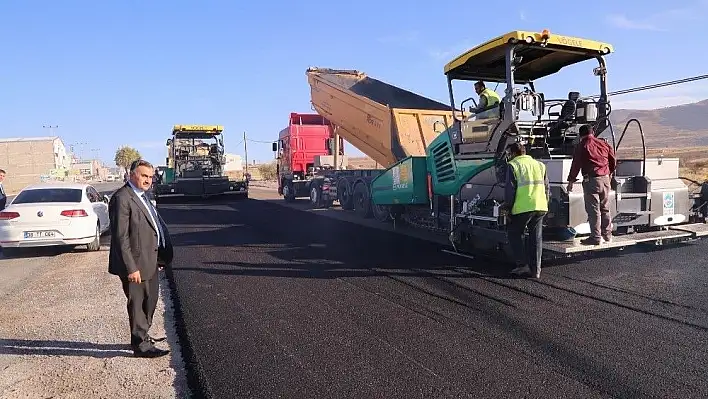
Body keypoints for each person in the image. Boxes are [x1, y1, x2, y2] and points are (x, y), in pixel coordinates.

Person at [108, 159, 173, 358]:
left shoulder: (143, 196)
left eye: (151, 177)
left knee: (150, 300)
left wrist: (159, 258)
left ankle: (143, 334)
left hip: (150, 260)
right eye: (144, 176)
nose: (148, 180)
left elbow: (153, 229)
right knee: (138, 304)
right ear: (131, 175)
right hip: (135, 264)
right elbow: (121, 237)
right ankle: (141, 345)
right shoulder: (122, 198)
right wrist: (131, 268)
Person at [502, 143, 550, 279]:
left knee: (514, 233)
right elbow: (547, 187)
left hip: (523, 207)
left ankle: (522, 265)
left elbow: (510, 191)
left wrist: (507, 209)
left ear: (513, 153)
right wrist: (545, 203)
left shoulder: (513, 165)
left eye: (509, 154)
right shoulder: (540, 165)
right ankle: (536, 270)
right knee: (536, 238)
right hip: (540, 206)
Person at [566, 124, 617, 245]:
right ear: (593, 132)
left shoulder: (582, 145)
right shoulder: (603, 143)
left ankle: (595, 237)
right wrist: (609, 173)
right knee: (605, 208)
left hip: (592, 180)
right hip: (605, 179)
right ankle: (607, 235)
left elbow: (576, 165)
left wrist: (571, 181)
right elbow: (613, 159)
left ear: (580, 135)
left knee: (593, 210)